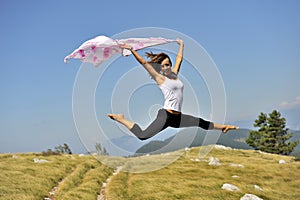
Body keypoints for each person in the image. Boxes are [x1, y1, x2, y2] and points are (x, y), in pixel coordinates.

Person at [108, 38, 238, 140]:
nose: (167, 67)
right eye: (164, 65)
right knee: (142, 135)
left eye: (168, 64)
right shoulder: (160, 79)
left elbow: (179, 59)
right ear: (160, 68)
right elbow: (144, 63)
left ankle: (224, 127)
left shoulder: (174, 74)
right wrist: (132, 50)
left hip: (177, 117)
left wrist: (181, 45)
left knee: (201, 122)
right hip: (166, 115)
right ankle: (121, 118)